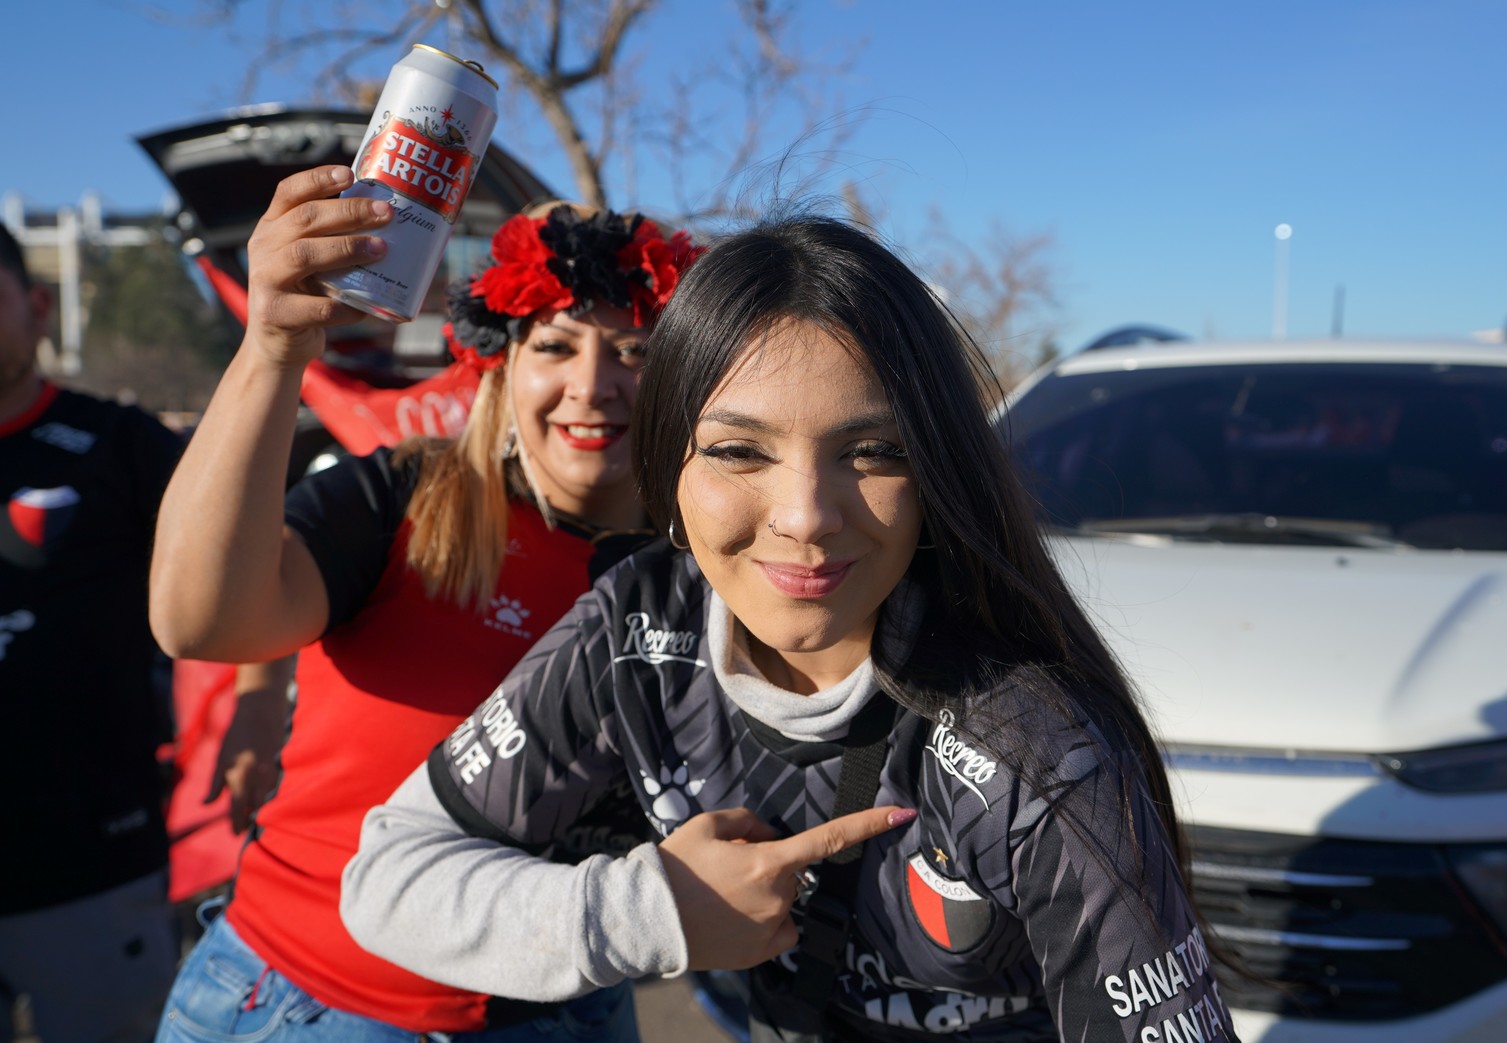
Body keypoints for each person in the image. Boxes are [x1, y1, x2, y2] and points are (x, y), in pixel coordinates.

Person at [341, 214, 1240, 1042]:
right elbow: (387, 875)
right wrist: (650, 912)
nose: (806, 516)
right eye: (739, 450)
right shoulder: (639, 625)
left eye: (873, 451)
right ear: (668, 463)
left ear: (937, 472)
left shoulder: (1024, 737)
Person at [146, 164, 702, 1041]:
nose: (594, 385)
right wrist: (272, 350)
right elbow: (198, 618)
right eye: (554, 345)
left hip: (569, 1013)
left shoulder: (713, 568)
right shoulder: (407, 497)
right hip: (304, 1005)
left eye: (635, 351)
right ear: (501, 370)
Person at [0, 223, 183, 1039]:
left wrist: (254, 703)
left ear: (38, 306)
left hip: (94, 864)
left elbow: (256, 556)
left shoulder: (123, 443)